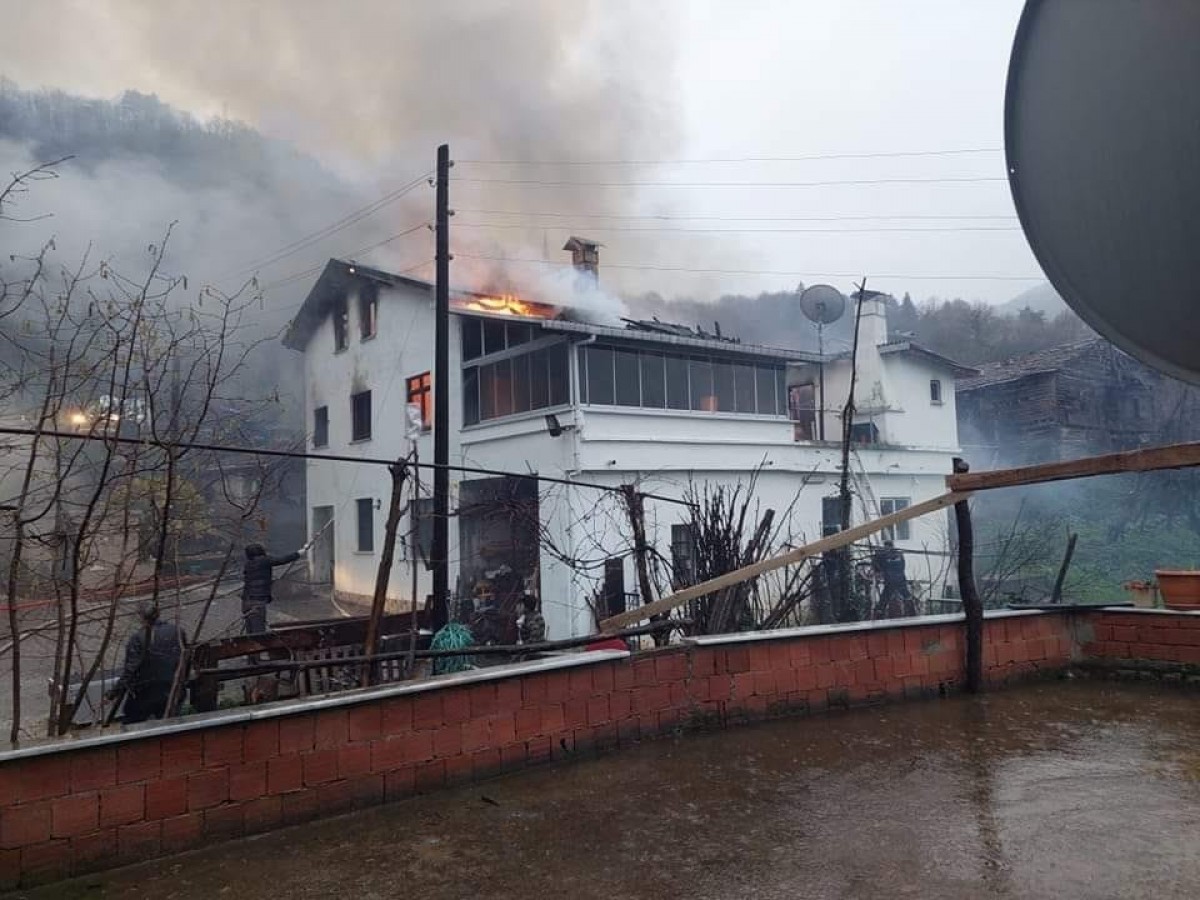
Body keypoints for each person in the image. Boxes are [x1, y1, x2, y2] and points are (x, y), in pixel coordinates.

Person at [106, 601, 185, 724]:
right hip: (173, 687)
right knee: (171, 722)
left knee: (132, 721)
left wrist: (114, 692)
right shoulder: (178, 631)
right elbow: (185, 658)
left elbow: (130, 670)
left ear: (141, 617)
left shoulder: (138, 638)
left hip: (146, 692)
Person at [242, 542, 305, 634]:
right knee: (258, 632)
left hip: (246, 601)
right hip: (258, 601)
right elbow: (283, 560)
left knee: (250, 629)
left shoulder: (248, 564)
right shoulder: (264, 560)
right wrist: (300, 552)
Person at [873, 539, 912, 617]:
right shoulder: (899, 554)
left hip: (891, 581)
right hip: (900, 579)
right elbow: (902, 566)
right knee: (907, 596)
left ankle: (879, 614)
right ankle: (912, 612)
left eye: (886, 547)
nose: (886, 548)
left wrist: (876, 554)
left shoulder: (884, 556)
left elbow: (878, 564)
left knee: (884, 599)